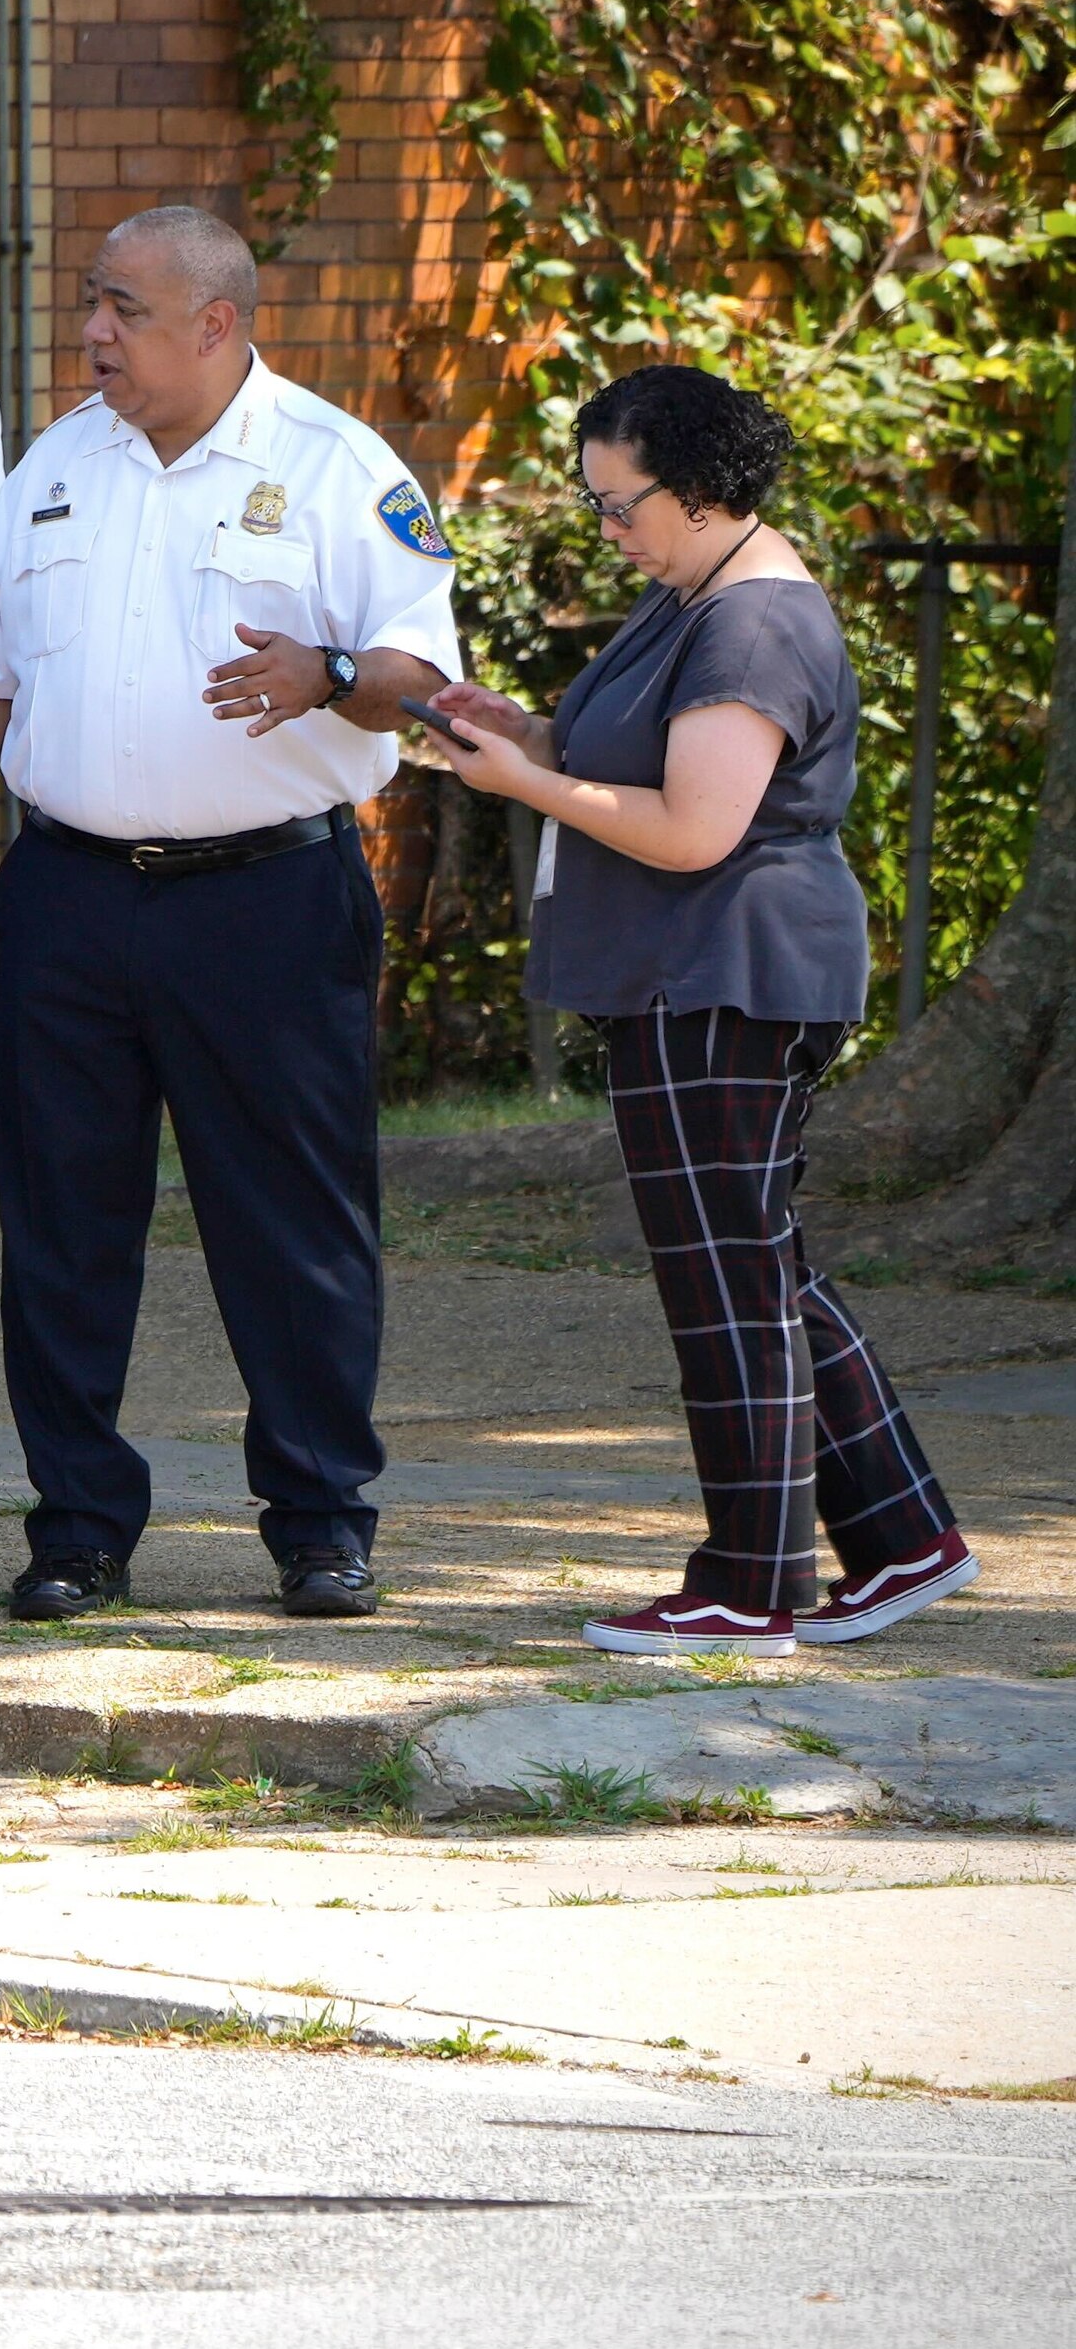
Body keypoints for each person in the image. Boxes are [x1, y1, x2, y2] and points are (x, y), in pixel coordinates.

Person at [0, 206, 459, 1621]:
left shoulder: (331, 466)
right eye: (87, 303)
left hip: (267, 902)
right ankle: (76, 1525)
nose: (93, 335)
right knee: (61, 1222)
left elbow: (423, 676)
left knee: (290, 1224)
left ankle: (320, 1521)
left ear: (217, 322)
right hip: (70, 897)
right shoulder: (59, 466)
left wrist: (336, 667)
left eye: (123, 308)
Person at [426, 367, 972, 1654]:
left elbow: (690, 828)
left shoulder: (750, 625)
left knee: (726, 1285)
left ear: (704, 488)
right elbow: (636, 763)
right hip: (690, 974)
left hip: (720, 974)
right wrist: (524, 737)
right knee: (759, 1268)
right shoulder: (690, 592)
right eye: (595, 502)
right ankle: (901, 1538)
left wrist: (522, 787)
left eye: (621, 504)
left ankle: (747, 1580)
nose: (606, 527)